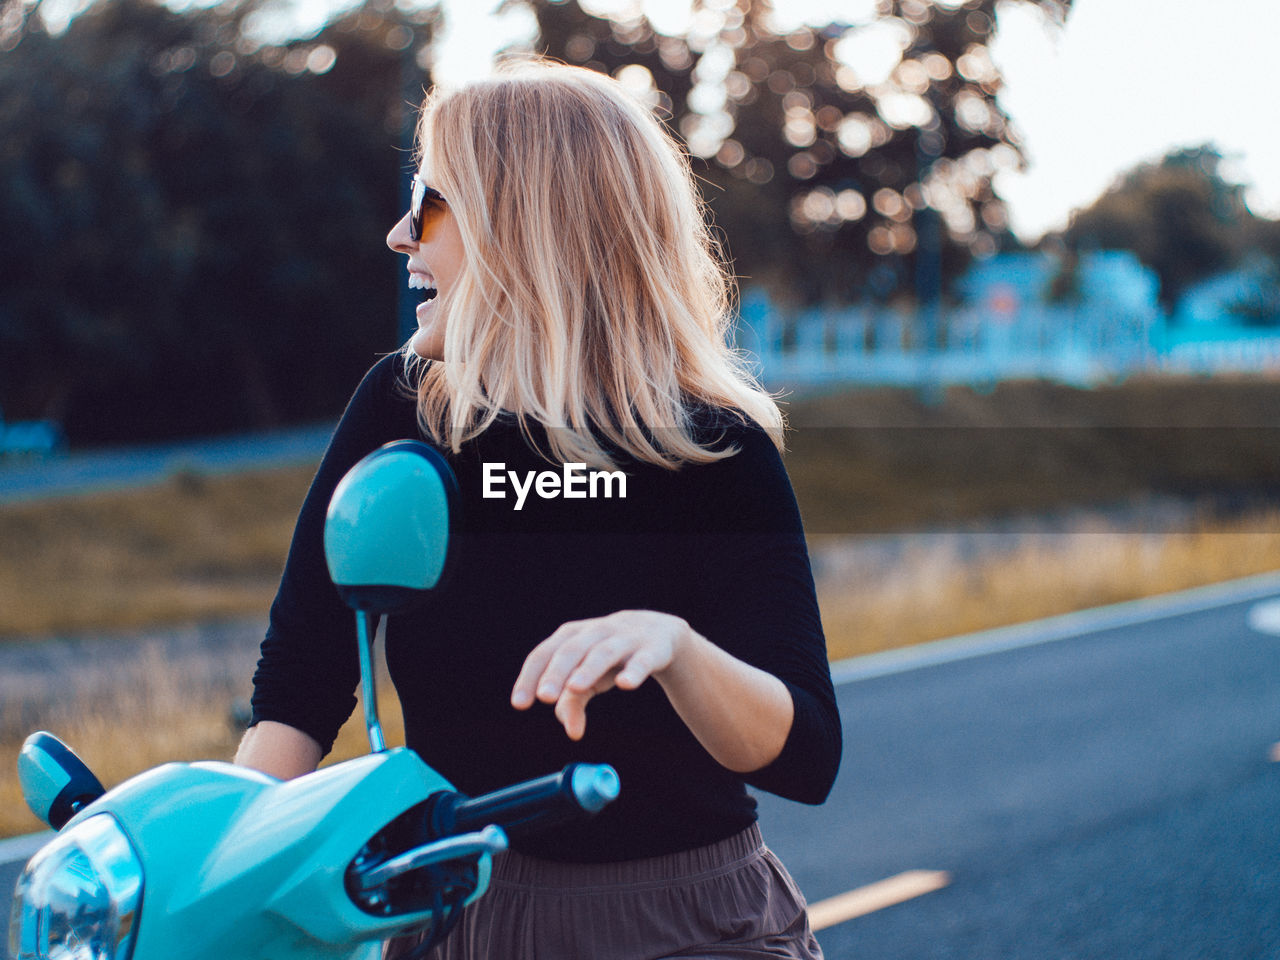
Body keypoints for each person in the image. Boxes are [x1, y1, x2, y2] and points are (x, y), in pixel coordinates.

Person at [235, 59, 842, 960]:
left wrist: (675, 648)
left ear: (523, 226)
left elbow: (806, 756)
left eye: (431, 204)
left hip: (687, 929)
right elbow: (299, 686)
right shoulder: (400, 410)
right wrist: (212, 874)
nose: (401, 236)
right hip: (449, 918)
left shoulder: (713, 447)